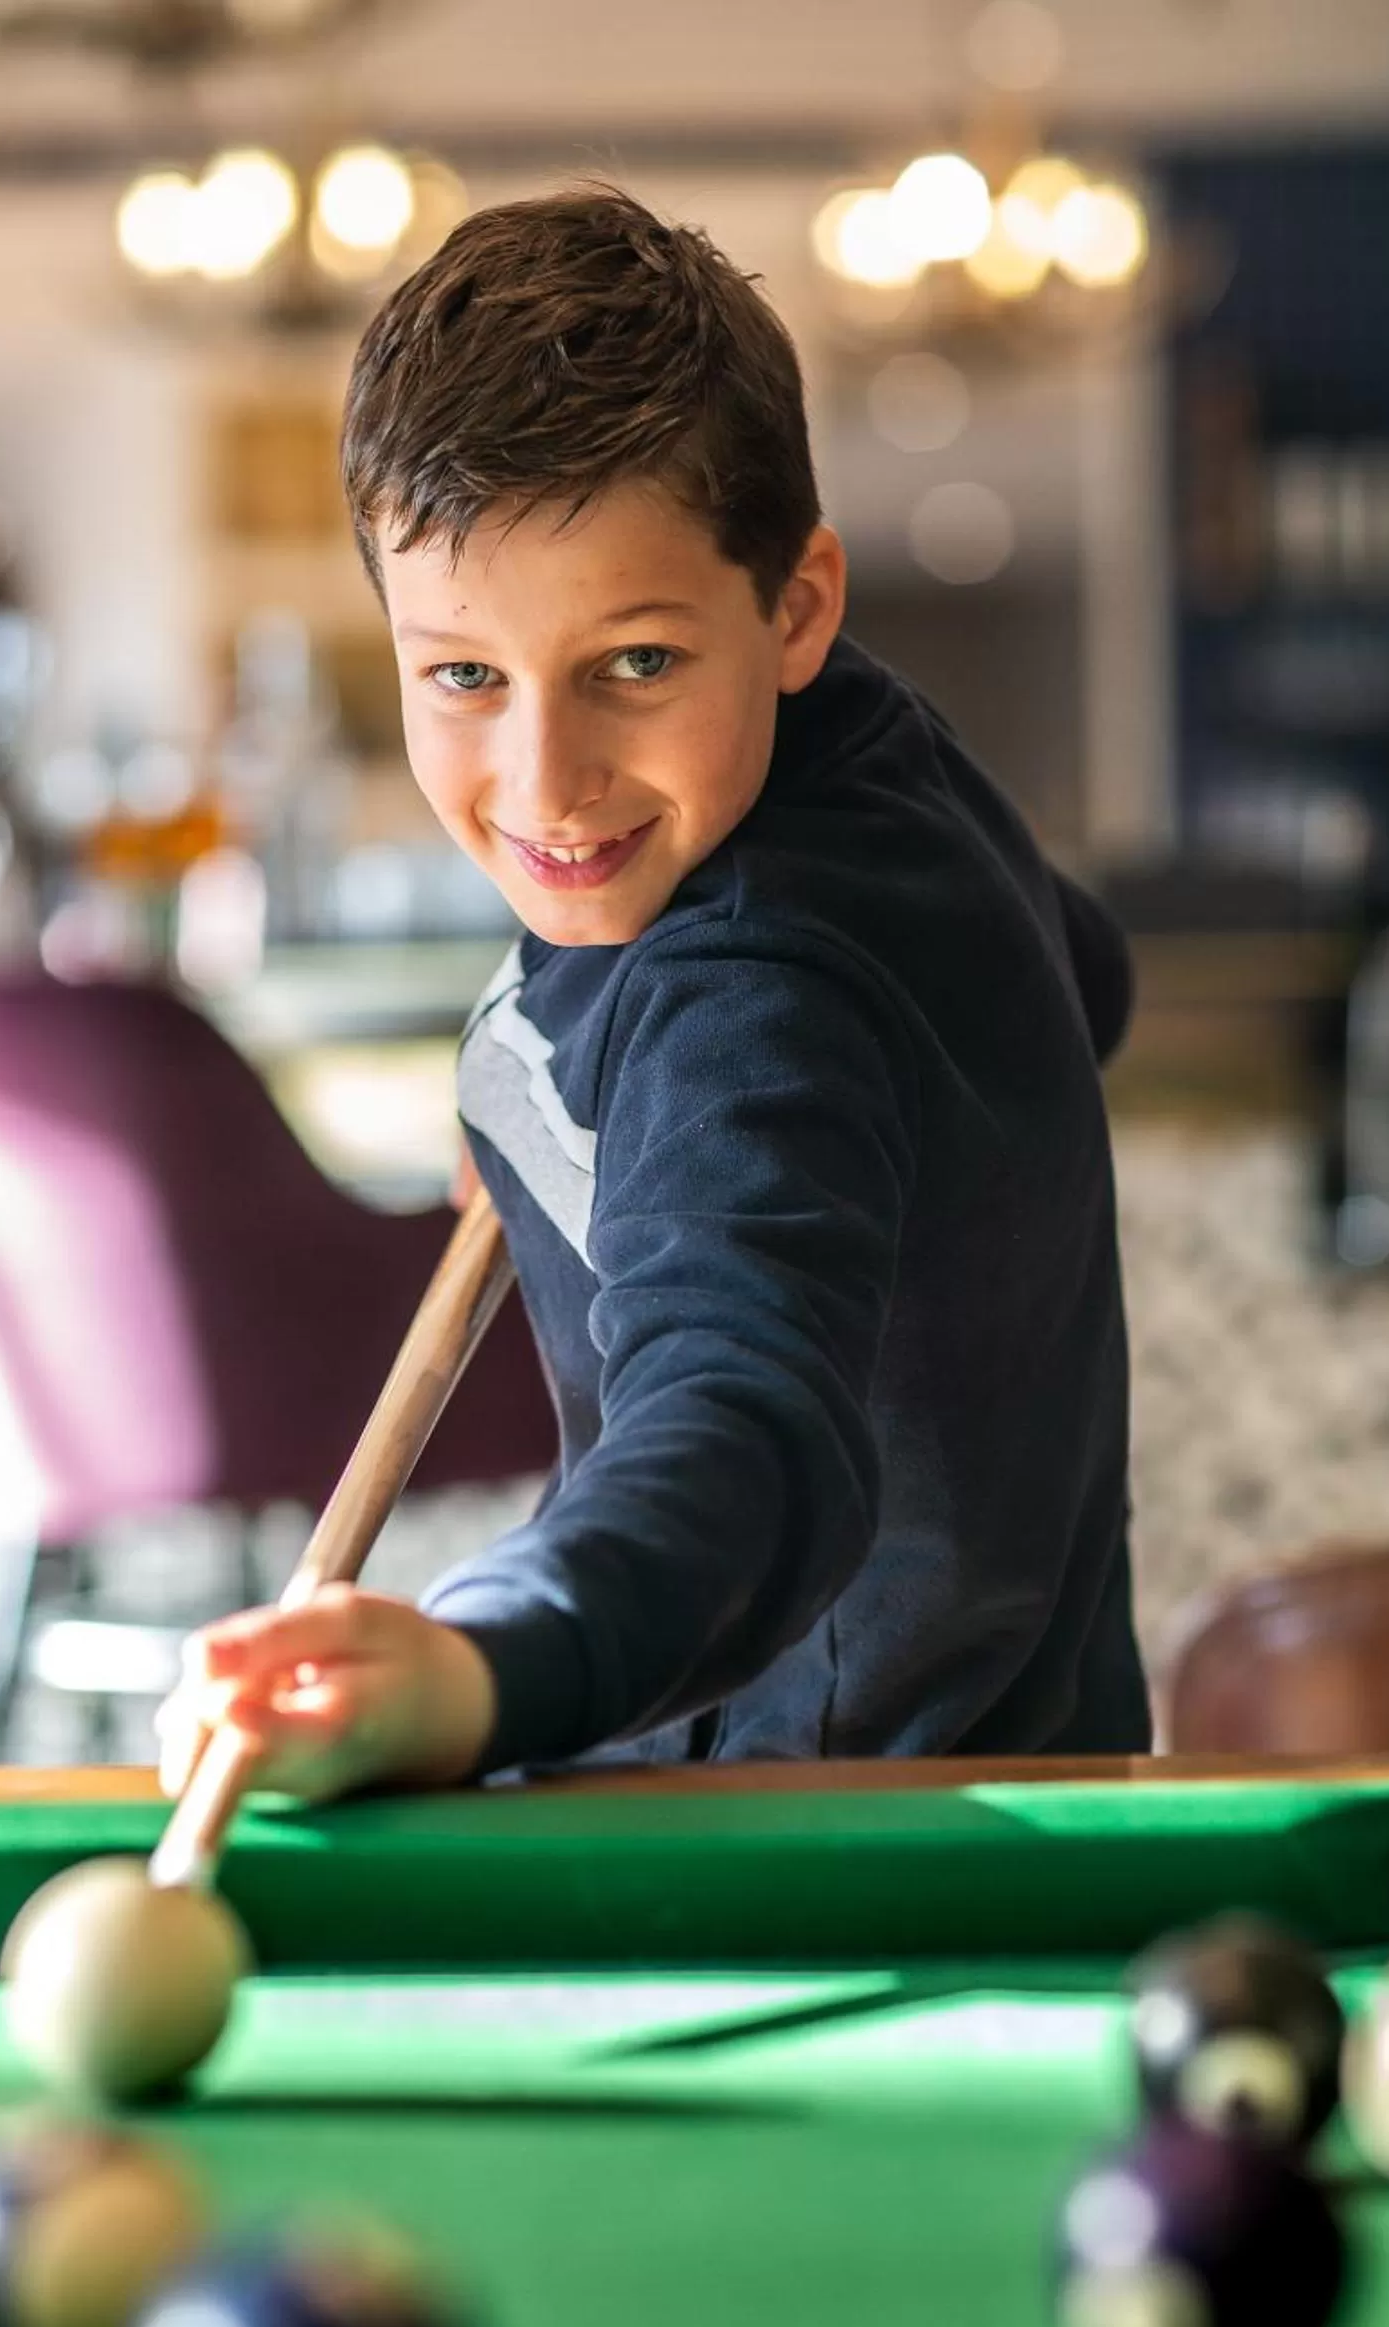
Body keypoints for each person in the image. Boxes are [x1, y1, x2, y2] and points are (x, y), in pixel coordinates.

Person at [156, 184, 1151, 1810]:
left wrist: (491, 1657)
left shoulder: (754, 995)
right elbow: (1076, 975)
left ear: (795, 607)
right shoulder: (883, 765)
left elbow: (743, 1421)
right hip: (1018, 1763)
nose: (546, 780)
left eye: (634, 664)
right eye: (464, 675)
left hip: (800, 1828)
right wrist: (579, 1128)